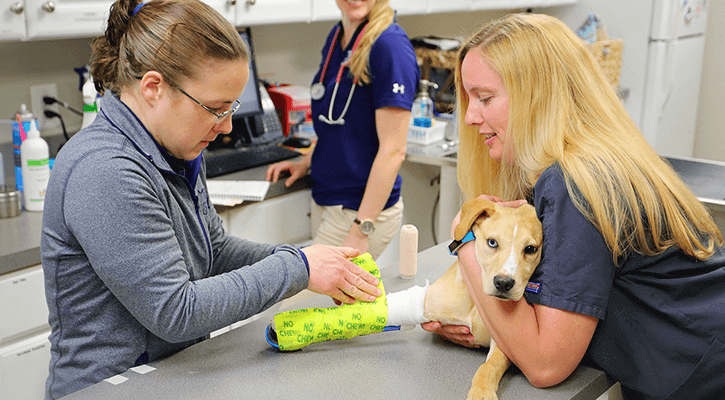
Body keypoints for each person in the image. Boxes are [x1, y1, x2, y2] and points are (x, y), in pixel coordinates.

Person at [40, 0, 383, 398]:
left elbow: (213, 251)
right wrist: (298, 268)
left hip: (175, 375)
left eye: (231, 107)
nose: (226, 127)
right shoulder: (105, 170)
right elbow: (176, 311)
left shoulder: (177, 146)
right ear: (153, 88)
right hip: (112, 388)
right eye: (215, 108)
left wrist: (310, 261)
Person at [422, 13, 725, 399]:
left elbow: (546, 364)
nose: (469, 116)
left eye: (484, 98)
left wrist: (464, 239)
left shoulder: (573, 184)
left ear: (537, 96)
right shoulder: (593, 160)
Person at [266, 0, 419, 260]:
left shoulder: (389, 46)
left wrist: (361, 230)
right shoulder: (338, 36)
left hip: (358, 211)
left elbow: (394, 150)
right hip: (329, 199)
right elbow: (339, 122)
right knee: (323, 300)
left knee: (300, 299)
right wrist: (307, 160)